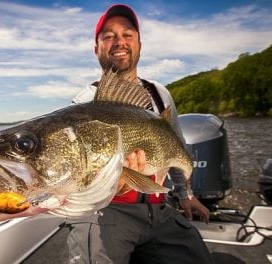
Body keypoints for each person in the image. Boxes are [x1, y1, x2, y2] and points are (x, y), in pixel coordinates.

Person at [67, 4, 215, 264]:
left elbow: (175, 146)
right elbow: (78, 179)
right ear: (96, 48)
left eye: (127, 34)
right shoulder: (84, 105)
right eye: (108, 36)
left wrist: (186, 195)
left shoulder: (160, 93)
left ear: (139, 44)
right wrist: (113, 186)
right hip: (107, 212)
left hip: (159, 209)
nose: (119, 41)